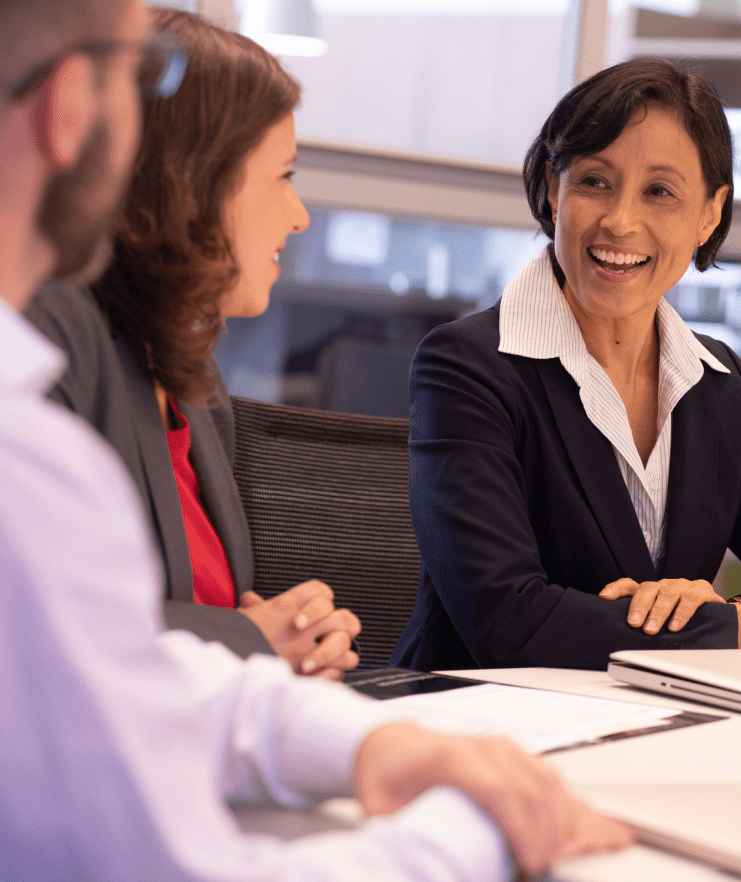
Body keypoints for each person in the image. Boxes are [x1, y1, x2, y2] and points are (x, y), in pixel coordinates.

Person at [0, 0, 629, 877]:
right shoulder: (27, 458)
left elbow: (126, 670)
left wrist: (364, 742)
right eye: (140, 77)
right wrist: (483, 831)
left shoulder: (115, 394)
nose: (300, 217)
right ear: (73, 109)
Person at [393, 58, 741, 672]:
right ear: (554, 193)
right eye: (594, 182)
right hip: (479, 733)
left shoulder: (720, 386)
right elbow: (505, 621)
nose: (619, 221)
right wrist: (740, 626)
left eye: (659, 191)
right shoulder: (466, 367)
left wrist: (729, 611)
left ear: (709, 213)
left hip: (656, 734)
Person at [26, 7, 360, 677]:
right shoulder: (46, 338)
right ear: (195, 184)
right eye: (285, 176)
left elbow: (207, 610)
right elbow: (38, 622)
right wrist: (247, 640)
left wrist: (290, 639)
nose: (299, 218)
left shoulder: (193, 377)